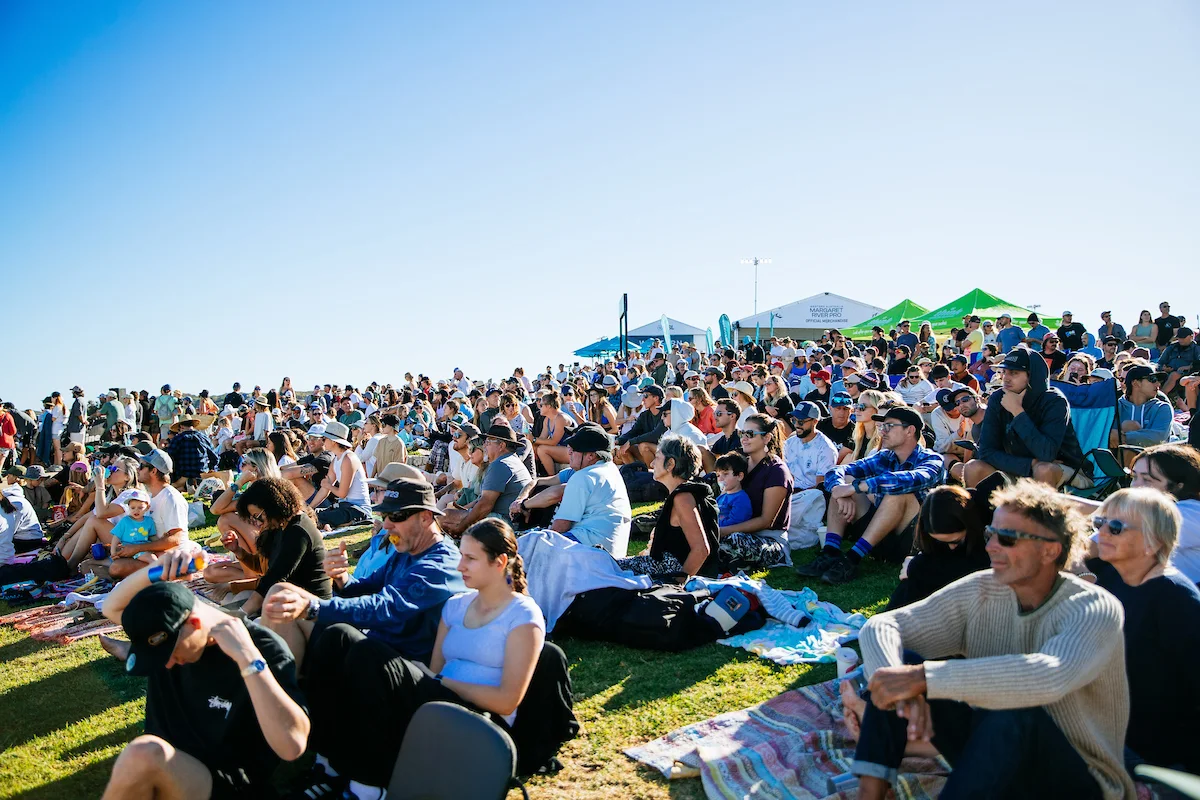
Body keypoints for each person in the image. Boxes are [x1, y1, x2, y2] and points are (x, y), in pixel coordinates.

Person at [850, 479, 1132, 800]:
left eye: (1007, 538)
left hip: (1080, 778)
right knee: (900, 664)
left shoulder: (1094, 607)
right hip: (997, 748)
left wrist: (923, 678)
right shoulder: (983, 588)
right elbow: (882, 626)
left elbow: (1047, 677)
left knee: (1016, 710)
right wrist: (899, 688)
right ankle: (869, 794)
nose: (990, 546)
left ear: (1050, 550)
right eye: (990, 534)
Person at [99, 550, 309, 799]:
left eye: (170, 653)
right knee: (145, 755)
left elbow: (292, 746)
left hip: (226, 784)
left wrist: (249, 661)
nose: (166, 665)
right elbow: (112, 606)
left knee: (143, 754)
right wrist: (158, 570)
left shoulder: (260, 649)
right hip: (171, 770)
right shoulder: (171, 634)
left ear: (195, 625)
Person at [262, 477, 466, 670]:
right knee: (281, 592)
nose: (386, 525)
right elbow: (365, 588)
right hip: (374, 646)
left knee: (290, 602)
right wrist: (342, 577)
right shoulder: (409, 551)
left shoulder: (440, 565)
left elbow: (384, 608)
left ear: (425, 517)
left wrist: (314, 608)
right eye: (385, 516)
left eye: (396, 516)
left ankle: (281, 695)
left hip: (397, 666)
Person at [1085, 487, 1200, 775]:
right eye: (1100, 523)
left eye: (1116, 527)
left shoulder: (1176, 601)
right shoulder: (1111, 575)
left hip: (1150, 756)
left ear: (1153, 542)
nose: (1102, 534)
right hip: (1103, 730)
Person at [800, 407, 944, 585]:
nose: (882, 431)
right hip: (879, 534)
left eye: (889, 426)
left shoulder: (932, 459)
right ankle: (830, 551)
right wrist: (840, 489)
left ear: (910, 430)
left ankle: (852, 558)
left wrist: (856, 488)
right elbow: (838, 470)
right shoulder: (885, 456)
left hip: (911, 541)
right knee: (845, 479)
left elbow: (910, 480)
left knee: (898, 492)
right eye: (883, 426)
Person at [966, 347, 1091, 490]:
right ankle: (984, 512)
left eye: (1014, 373)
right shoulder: (998, 398)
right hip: (1021, 467)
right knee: (973, 467)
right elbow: (986, 452)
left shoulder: (1054, 401)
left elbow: (1047, 454)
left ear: (1032, 376)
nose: (1006, 377)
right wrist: (1029, 463)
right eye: (1004, 372)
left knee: (1043, 469)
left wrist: (1017, 411)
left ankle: (1043, 513)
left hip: (1065, 470)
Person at [620, 434, 722, 577]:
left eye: (657, 458)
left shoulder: (683, 498)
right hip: (667, 566)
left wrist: (676, 585)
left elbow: (701, 549)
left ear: (671, 464)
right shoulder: (688, 492)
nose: (652, 464)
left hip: (671, 573)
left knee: (601, 566)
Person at [884, 485, 990, 610]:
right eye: (941, 541)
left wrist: (915, 567)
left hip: (980, 577)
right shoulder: (933, 541)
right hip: (947, 580)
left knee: (918, 568)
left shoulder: (986, 514)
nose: (950, 547)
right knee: (915, 573)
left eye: (956, 541)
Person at [537, 423, 632, 556]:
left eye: (575, 449)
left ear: (591, 456)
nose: (569, 451)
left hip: (589, 550)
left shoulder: (583, 476)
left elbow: (560, 527)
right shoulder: (610, 469)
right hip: (613, 550)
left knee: (533, 544)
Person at [718, 413, 793, 569]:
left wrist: (723, 531)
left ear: (766, 438)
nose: (744, 438)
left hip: (769, 540)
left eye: (750, 434)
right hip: (736, 531)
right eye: (742, 433)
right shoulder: (740, 464)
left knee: (734, 540)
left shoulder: (777, 471)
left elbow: (766, 520)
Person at [106, 449, 188, 580]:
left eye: (142, 466)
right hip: (150, 551)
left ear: (153, 471)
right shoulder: (150, 496)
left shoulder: (170, 498)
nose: (137, 469)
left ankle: (166, 571)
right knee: (92, 564)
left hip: (169, 554)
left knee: (116, 568)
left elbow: (176, 539)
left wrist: (137, 548)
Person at [442, 422, 533, 536]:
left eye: (488, 442)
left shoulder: (501, 464)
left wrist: (461, 527)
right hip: (511, 520)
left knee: (445, 517)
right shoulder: (510, 460)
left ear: (501, 446)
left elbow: (484, 506)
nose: (484, 446)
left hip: (505, 523)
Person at [784, 402, 838, 551]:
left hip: (809, 496)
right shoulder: (790, 443)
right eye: (794, 420)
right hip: (790, 491)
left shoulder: (825, 448)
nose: (797, 425)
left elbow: (820, 487)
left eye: (801, 422)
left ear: (815, 421)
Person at [310, 421, 373, 528]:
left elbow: (342, 493)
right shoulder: (336, 460)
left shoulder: (348, 459)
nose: (323, 441)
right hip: (345, 506)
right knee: (313, 515)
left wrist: (328, 486)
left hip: (358, 509)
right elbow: (325, 490)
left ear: (334, 441)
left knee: (318, 518)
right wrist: (310, 508)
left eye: (325, 439)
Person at [1115, 365, 1172, 451]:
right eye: (1152, 379)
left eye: (1158, 380)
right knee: (1128, 425)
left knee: (1129, 426)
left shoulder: (1162, 408)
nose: (1158, 384)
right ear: (1136, 383)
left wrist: (1123, 437)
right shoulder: (1115, 407)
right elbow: (1107, 435)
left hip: (1153, 461)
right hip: (1117, 459)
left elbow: (1158, 438)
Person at [614, 384, 666, 466]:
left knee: (644, 446)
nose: (643, 399)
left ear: (656, 398)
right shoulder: (644, 415)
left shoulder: (665, 414)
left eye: (645, 396)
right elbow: (633, 432)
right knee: (624, 449)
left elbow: (655, 435)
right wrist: (618, 440)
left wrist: (631, 442)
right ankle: (635, 474)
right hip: (651, 452)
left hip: (664, 452)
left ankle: (652, 475)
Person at [713, 452, 753, 528]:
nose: (720, 479)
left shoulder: (741, 498)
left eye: (725, 474)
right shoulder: (721, 498)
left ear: (739, 476)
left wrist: (713, 527)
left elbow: (735, 523)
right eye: (718, 475)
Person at [1157, 326, 1200, 395]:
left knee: (1174, 375)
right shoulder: (1171, 347)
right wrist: (1163, 368)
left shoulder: (1196, 348)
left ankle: (1162, 395)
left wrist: (1188, 367)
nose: (1181, 339)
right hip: (1168, 372)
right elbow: (1160, 362)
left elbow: (1198, 364)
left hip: (1187, 373)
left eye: (1183, 337)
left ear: (1191, 337)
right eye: (1179, 337)